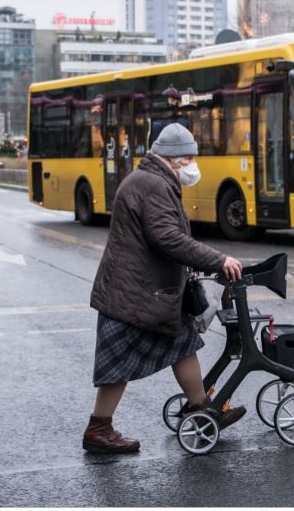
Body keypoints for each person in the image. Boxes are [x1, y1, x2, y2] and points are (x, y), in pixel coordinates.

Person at [83, 123, 244, 454]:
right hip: (133, 294)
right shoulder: (154, 185)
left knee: (182, 343)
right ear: (173, 158)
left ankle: (201, 407)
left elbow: (166, 236)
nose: (193, 165)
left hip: (138, 290)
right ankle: (98, 429)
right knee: (118, 363)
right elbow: (168, 237)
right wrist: (218, 260)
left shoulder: (150, 180)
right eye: (190, 158)